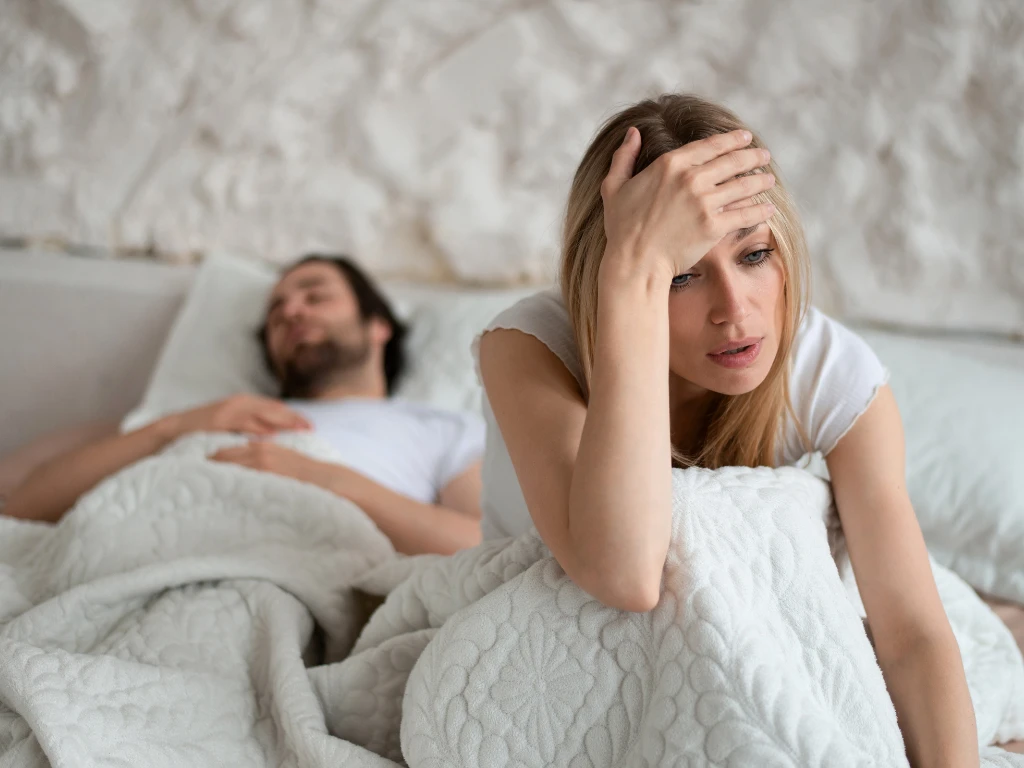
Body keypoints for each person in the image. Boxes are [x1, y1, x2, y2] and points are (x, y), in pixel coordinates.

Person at [475, 95, 979, 765]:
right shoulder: (529, 347)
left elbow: (912, 636)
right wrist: (633, 276)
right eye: (683, 274)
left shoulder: (830, 371)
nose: (735, 310)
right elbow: (626, 575)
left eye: (754, 254)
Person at [3, 255, 485, 556]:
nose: (291, 311)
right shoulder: (209, 415)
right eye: (275, 313)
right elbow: (23, 507)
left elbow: (484, 548)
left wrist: (320, 478)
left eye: (315, 296)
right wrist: (175, 427)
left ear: (377, 325)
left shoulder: (442, 428)